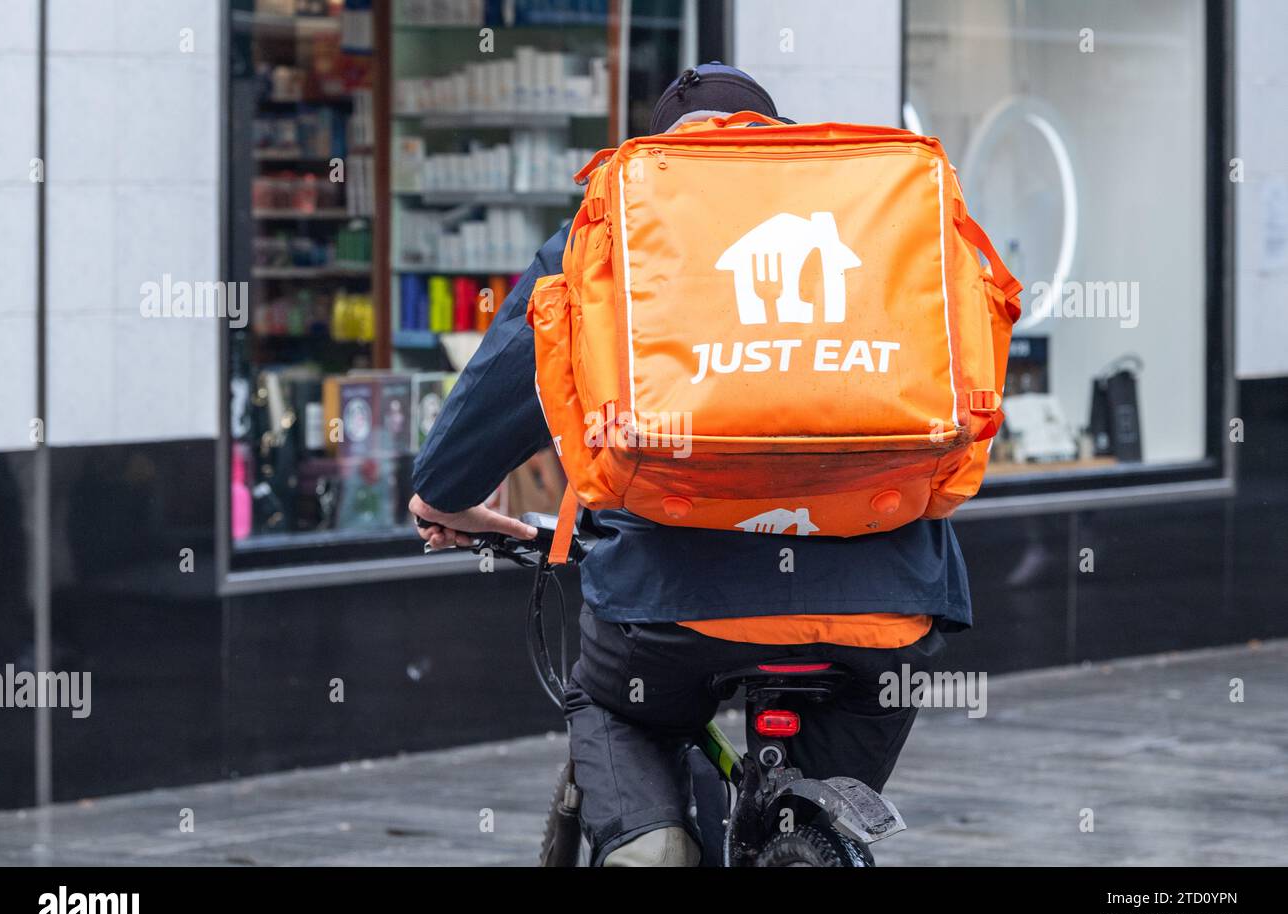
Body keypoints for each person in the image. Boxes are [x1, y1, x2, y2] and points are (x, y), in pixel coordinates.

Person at [410, 64, 969, 867]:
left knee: (612, 704)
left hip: (673, 601)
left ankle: (652, 844)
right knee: (813, 834)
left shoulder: (621, 215)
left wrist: (447, 498)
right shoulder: (871, 216)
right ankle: (814, 835)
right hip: (887, 603)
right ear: (774, 137)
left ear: (664, 143)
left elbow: (516, 374)